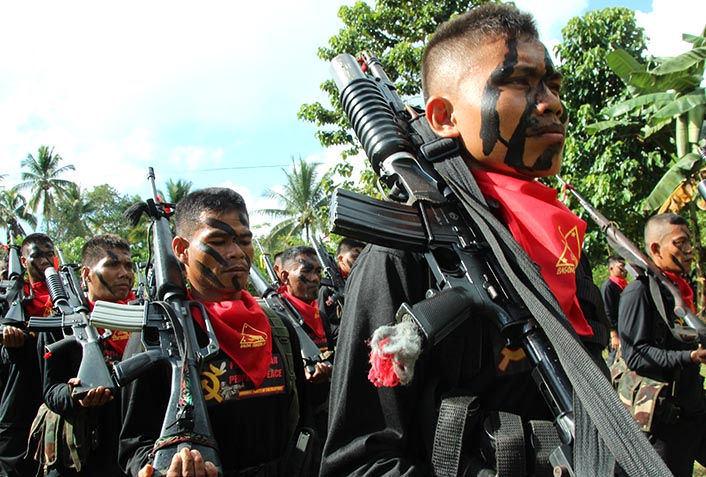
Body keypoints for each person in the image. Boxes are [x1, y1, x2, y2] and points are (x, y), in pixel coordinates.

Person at [321, 4, 611, 475]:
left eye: (553, 85)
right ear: (443, 116)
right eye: (517, 82)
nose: (551, 102)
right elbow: (360, 463)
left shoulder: (558, 243)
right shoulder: (406, 252)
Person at [119, 188, 309, 477]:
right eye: (218, 241)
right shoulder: (159, 334)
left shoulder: (278, 327)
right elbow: (135, 444)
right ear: (182, 250)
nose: (236, 252)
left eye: (244, 240)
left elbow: (304, 419)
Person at [32, 234, 134, 477]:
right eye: (112, 265)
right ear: (87, 274)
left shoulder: (141, 317)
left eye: (128, 266)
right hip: (79, 452)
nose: (124, 273)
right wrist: (75, 395)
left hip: (128, 447)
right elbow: (50, 390)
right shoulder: (61, 324)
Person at [618, 213, 706, 476]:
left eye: (689, 242)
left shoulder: (677, 290)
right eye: (680, 243)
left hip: (693, 409)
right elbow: (635, 355)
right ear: (655, 249)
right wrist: (690, 357)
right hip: (664, 423)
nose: (689, 250)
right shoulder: (639, 292)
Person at [0, 233, 55, 477]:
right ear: (24, 261)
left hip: (57, 387)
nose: (45, 260)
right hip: (20, 387)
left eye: (49, 254)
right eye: (37, 255)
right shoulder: (12, 295)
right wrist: (10, 337)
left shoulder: (67, 291)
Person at [317, 238, 364, 339]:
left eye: (363, 258)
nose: (360, 262)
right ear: (341, 259)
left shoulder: (362, 280)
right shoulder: (327, 289)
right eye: (355, 258)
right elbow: (325, 326)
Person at [600, 254, 627, 364]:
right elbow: (607, 312)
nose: (624, 270)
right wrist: (614, 334)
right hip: (616, 331)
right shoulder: (608, 287)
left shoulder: (624, 285)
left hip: (625, 328)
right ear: (611, 268)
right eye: (621, 267)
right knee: (615, 358)